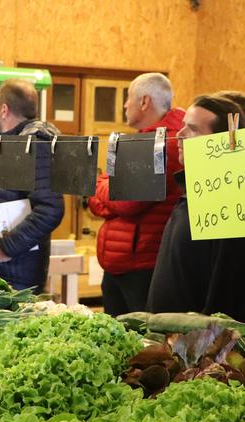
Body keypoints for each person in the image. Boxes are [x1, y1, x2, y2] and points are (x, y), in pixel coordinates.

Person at [147, 94, 245, 327]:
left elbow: (228, 295)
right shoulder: (193, 190)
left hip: (201, 349)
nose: (179, 135)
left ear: (222, 141)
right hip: (171, 340)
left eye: (192, 129)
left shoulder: (235, 205)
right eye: (182, 127)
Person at [87, 73, 185, 316]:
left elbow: (127, 201)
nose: (124, 105)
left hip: (143, 266)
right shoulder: (140, 141)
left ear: (144, 102)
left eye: (128, 98)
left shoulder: (163, 143)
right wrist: (109, 192)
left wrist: (99, 185)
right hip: (125, 263)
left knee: (140, 345)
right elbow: (106, 201)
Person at [0, 78, 64, 292]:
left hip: (17, 275)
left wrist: (6, 246)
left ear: (4, 110)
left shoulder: (35, 145)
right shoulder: (6, 143)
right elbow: (0, 197)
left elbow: (50, 209)